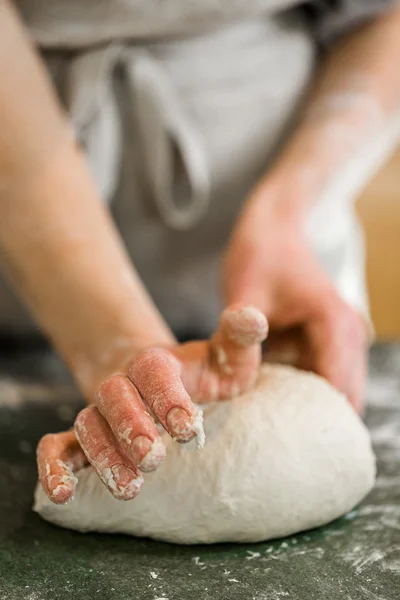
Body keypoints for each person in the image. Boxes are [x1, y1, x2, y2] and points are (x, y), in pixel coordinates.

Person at [0, 0, 399, 504]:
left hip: (283, 276)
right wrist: (111, 338)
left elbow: (386, 16)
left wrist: (288, 214)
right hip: (23, 258)